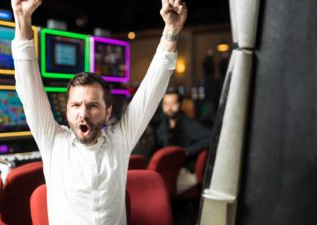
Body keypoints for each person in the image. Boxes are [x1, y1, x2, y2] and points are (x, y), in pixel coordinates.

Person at [11, 0, 187, 224]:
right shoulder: (53, 142)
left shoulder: (120, 140)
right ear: (66, 110)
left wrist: (171, 31)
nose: (82, 113)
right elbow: (28, 87)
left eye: (93, 106)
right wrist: (22, 19)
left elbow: (151, 90)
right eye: (75, 105)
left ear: (107, 112)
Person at [156, 88, 211, 194]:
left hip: (184, 171)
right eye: (166, 104)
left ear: (180, 105)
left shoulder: (189, 125)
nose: (170, 108)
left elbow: (210, 137)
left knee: (157, 189)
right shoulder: (162, 127)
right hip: (168, 171)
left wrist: (187, 151)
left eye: (173, 104)